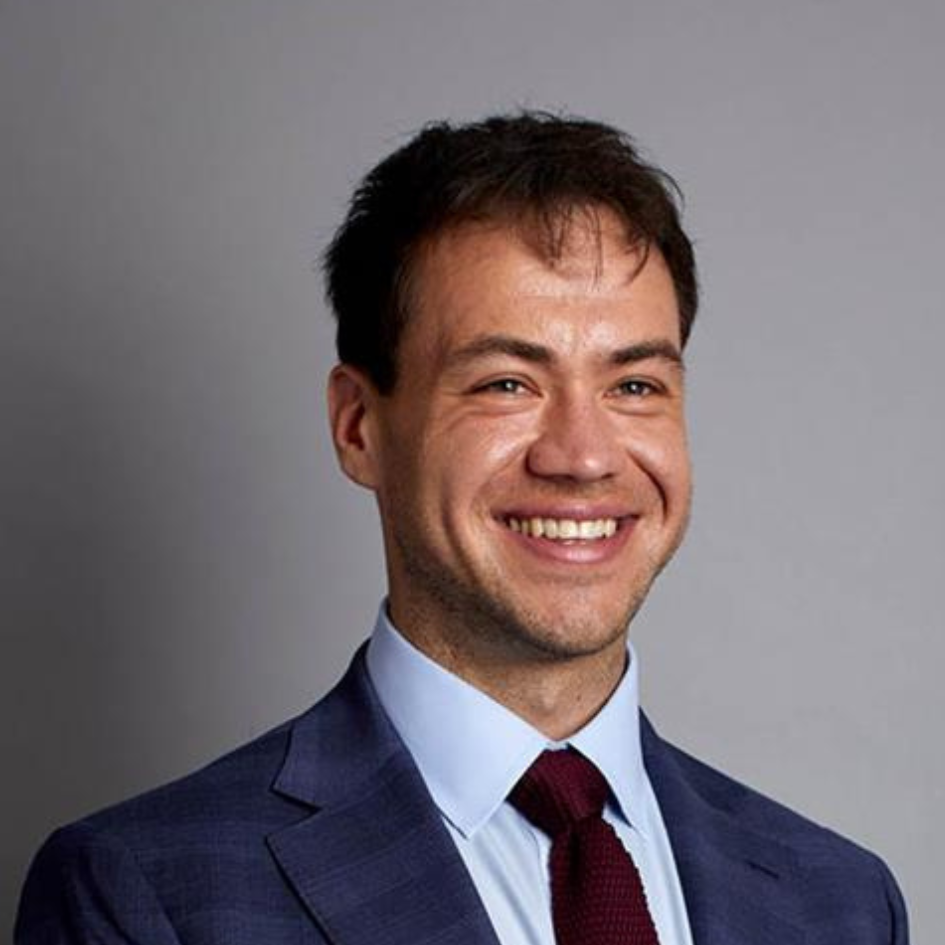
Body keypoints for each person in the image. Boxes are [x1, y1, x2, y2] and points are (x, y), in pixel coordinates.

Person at [16, 112, 908, 944]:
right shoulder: (149, 893)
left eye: (634, 385)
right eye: (505, 383)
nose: (583, 455)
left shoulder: (841, 901)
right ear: (358, 427)